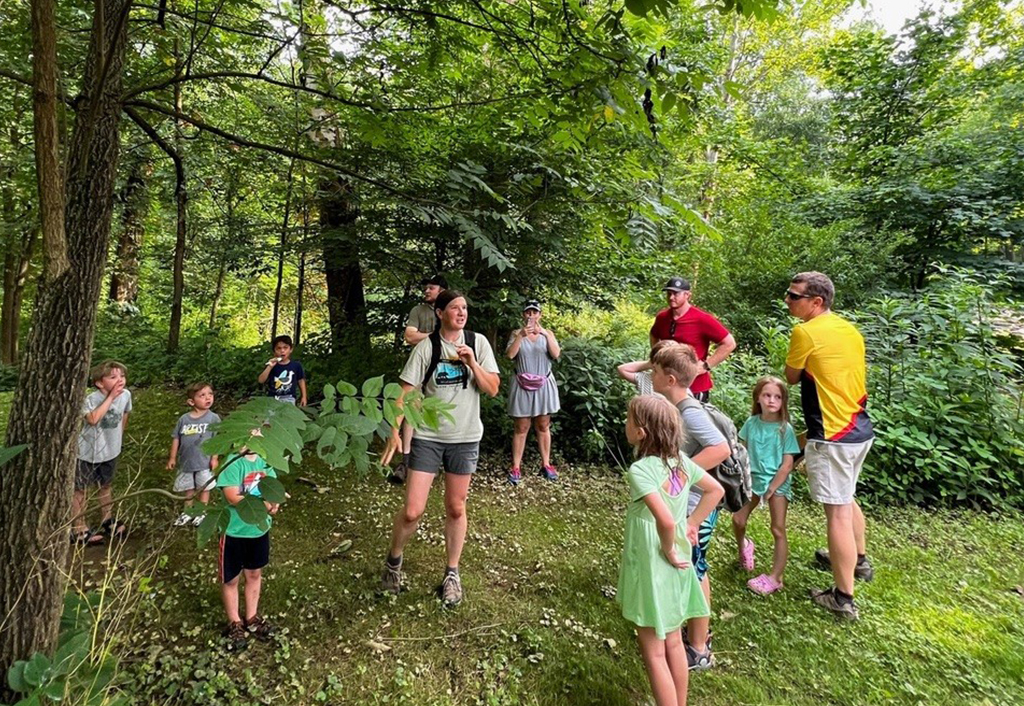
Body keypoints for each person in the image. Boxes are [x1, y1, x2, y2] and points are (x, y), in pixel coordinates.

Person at [380, 290, 500, 606]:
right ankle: (393, 561)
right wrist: (394, 431)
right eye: (455, 308)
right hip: (428, 437)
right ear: (440, 313)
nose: (461, 312)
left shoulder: (478, 343)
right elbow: (404, 394)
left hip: (465, 437)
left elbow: (492, 389)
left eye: (465, 308)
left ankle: (452, 574)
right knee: (412, 510)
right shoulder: (427, 347)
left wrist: (472, 363)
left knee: (456, 508)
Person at [618, 395, 724, 706]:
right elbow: (716, 490)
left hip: (654, 563)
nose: (626, 424)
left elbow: (664, 520)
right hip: (678, 564)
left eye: (629, 420)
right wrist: (691, 524)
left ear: (641, 433)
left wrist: (668, 548)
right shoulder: (681, 462)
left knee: (653, 651)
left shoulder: (641, 470)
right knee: (675, 641)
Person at [784, 271, 875, 620]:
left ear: (816, 302)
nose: (788, 300)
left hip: (832, 437)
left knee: (836, 511)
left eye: (794, 296)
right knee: (846, 497)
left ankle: (843, 597)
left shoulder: (805, 332)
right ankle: (859, 561)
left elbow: (791, 376)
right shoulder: (849, 330)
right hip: (859, 429)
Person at [651, 342, 730, 671]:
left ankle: (699, 647)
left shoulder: (690, 411)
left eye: (655, 371)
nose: (651, 375)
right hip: (685, 503)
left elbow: (720, 448)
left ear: (670, 379)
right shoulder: (675, 407)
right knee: (689, 565)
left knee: (696, 569)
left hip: (697, 507)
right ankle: (688, 629)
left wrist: (680, 475)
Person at [731, 376, 801, 595]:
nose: (772, 400)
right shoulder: (751, 424)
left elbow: (787, 465)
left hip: (777, 484)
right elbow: (741, 453)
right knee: (738, 519)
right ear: (758, 398)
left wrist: (771, 489)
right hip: (752, 481)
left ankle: (776, 577)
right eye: (767, 395)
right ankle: (744, 547)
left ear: (783, 401)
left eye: (777, 397)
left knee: (777, 528)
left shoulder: (785, 429)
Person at [217, 434, 279, 650]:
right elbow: (232, 496)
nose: (254, 436)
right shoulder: (232, 463)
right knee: (231, 579)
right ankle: (234, 622)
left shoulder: (265, 461)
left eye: (258, 432)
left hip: (258, 531)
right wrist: (264, 506)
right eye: (249, 432)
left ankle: (252, 617)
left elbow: (273, 490)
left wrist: (275, 503)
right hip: (234, 531)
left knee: (254, 574)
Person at [391, 275, 448, 485]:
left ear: (442, 291)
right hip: (418, 368)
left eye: (431, 288)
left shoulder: (451, 310)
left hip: (443, 371)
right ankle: (405, 462)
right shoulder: (418, 310)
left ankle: (434, 462)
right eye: (426, 288)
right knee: (410, 410)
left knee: (437, 411)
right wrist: (436, 335)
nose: (426, 291)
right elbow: (409, 336)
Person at [72, 360, 132, 545]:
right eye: (113, 377)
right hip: (86, 453)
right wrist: (111, 397)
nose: (120, 380)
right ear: (99, 382)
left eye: (122, 376)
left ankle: (107, 520)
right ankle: (79, 529)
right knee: (80, 490)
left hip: (110, 452)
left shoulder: (126, 395)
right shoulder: (90, 399)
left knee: (105, 485)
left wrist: (119, 437)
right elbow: (92, 419)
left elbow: (125, 413)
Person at [649, 277, 736, 402]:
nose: (671, 297)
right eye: (669, 293)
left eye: (676, 294)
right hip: (667, 386)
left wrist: (706, 365)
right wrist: (657, 358)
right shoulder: (662, 317)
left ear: (687, 295)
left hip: (695, 387)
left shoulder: (702, 319)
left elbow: (729, 343)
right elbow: (654, 335)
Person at [506, 299, 561, 485]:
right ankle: (516, 467)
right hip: (522, 383)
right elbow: (510, 355)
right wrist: (521, 336)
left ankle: (546, 464)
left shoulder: (548, 333)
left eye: (534, 312)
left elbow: (556, 354)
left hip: (543, 383)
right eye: (528, 312)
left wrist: (544, 333)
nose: (531, 315)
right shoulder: (516, 333)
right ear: (523, 314)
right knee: (521, 427)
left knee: (543, 425)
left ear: (540, 315)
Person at [167, 382, 221, 527]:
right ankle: (188, 511)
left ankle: (202, 511)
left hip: (204, 462)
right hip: (186, 462)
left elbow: (217, 439)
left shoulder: (213, 418)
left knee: (204, 487)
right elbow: (176, 438)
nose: (208, 398)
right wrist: (172, 458)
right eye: (202, 395)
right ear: (191, 402)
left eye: (210, 394)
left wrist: (215, 458)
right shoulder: (184, 419)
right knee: (188, 488)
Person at [258, 335, 307, 406]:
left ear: (291, 349)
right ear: (274, 351)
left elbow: (301, 380)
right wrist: (269, 367)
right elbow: (261, 380)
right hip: (272, 398)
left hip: (289, 398)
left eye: (285, 348)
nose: (282, 351)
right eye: (279, 348)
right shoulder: (271, 365)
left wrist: (304, 397)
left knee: (288, 413)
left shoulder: (296, 365)